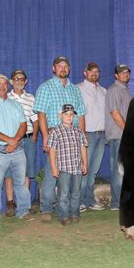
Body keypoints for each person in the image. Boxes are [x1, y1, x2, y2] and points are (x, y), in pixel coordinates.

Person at [33, 56, 86, 222]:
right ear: (53, 68)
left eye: (65, 66)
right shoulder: (45, 87)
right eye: (59, 65)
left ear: (69, 69)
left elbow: (81, 114)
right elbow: (41, 114)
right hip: (54, 133)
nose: (63, 68)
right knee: (52, 173)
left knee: (73, 174)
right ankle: (47, 208)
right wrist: (46, 137)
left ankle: (71, 209)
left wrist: (82, 136)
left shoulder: (75, 89)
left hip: (73, 135)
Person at [0, 74, 34, 224]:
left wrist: (15, 141)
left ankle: (23, 211)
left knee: (21, 182)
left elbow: (23, 125)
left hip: (18, 149)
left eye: (4, 84)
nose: (2, 86)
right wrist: (9, 140)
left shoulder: (16, 105)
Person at [4, 69, 39, 216]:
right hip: (12, 139)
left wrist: (35, 135)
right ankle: (10, 203)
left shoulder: (31, 98)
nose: (19, 81)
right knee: (9, 172)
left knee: (26, 171)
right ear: (11, 81)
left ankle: (24, 204)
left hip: (28, 137)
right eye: (16, 79)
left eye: (22, 79)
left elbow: (35, 118)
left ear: (26, 81)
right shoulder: (5, 97)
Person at [47, 104, 88, 226]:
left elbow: (83, 147)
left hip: (76, 167)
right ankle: (64, 215)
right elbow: (52, 150)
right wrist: (53, 167)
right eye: (66, 114)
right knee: (63, 192)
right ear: (60, 115)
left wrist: (85, 163)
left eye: (71, 115)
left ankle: (74, 214)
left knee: (76, 192)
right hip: (64, 167)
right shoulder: (55, 131)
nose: (69, 117)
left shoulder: (78, 131)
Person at [78, 62, 107, 212]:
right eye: (91, 71)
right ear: (85, 73)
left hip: (101, 134)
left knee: (93, 170)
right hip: (87, 133)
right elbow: (76, 114)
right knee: (84, 169)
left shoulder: (103, 91)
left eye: (97, 71)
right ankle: (80, 200)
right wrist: (81, 134)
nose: (94, 73)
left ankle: (88, 199)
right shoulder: (79, 89)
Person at [105, 64, 132, 210]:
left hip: (123, 135)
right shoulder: (114, 90)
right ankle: (116, 203)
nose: (125, 74)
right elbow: (115, 114)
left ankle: (122, 200)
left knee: (123, 170)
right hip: (118, 135)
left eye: (127, 72)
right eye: (122, 72)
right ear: (116, 75)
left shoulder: (125, 90)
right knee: (118, 170)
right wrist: (128, 132)